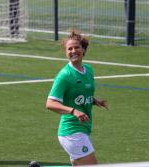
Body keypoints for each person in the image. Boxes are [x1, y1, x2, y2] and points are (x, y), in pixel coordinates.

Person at [46, 30, 108, 166]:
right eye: (70, 49)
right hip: (72, 132)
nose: (73, 51)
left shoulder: (89, 70)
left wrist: (94, 101)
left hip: (83, 129)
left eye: (77, 47)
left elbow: (80, 95)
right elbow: (50, 103)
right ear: (66, 52)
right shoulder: (65, 75)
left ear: (83, 50)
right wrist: (74, 111)